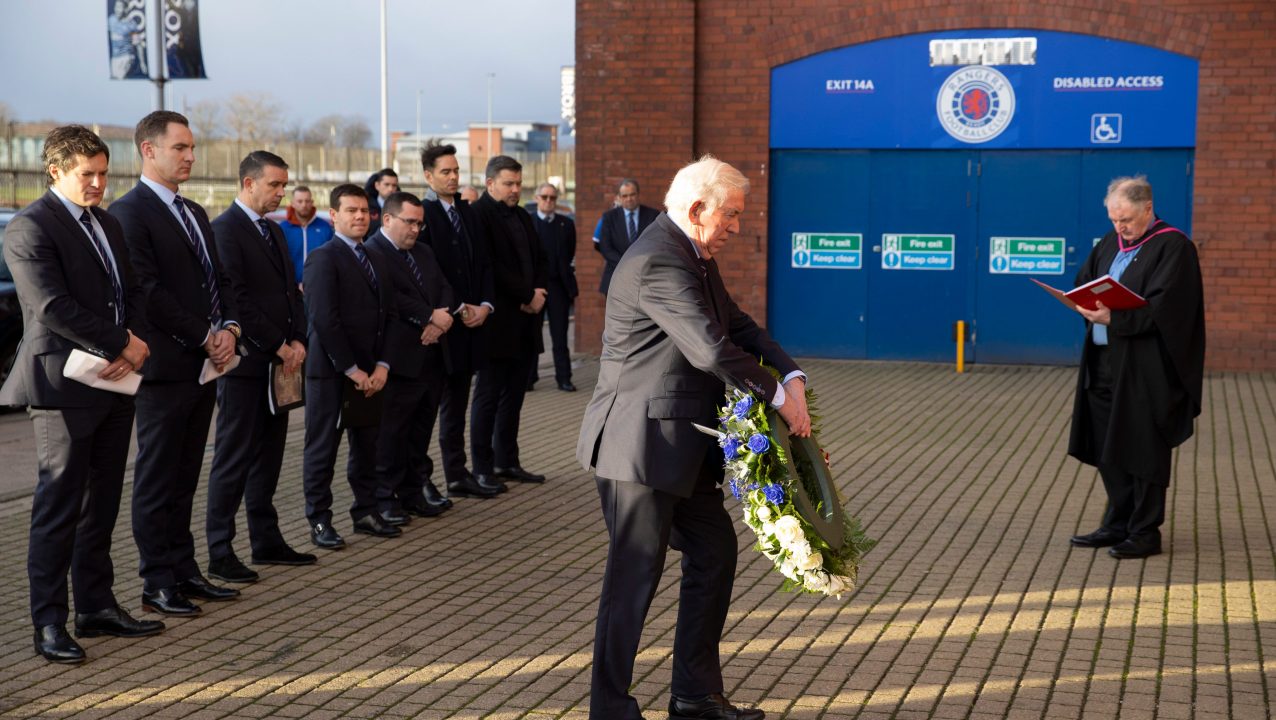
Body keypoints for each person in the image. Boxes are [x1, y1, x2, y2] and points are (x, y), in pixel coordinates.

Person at [577, 156, 811, 720]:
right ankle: (609, 708)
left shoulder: (693, 254)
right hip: (639, 446)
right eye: (731, 215)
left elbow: (738, 326)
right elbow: (709, 348)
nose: (736, 227)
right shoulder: (659, 258)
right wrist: (777, 398)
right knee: (634, 580)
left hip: (680, 448)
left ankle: (694, 695)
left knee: (715, 551)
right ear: (698, 207)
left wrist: (793, 375)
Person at [1, 125, 163, 663]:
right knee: (59, 507)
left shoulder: (109, 224)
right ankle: (48, 623)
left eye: (102, 174)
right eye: (85, 175)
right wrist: (122, 342)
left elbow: (132, 290)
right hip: (63, 385)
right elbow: (50, 306)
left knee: (102, 504)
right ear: (55, 171)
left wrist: (135, 346)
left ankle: (95, 606)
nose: (97, 184)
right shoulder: (30, 228)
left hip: (117, 381)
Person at [110, 111, 241, 616]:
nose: (190, 156)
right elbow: (147, 290)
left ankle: (185, 570)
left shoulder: (194, 213)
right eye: (180, 148)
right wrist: (203, 334)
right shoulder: (131, 213)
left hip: (204, 365)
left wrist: (230, 330)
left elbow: (220, 279)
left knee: (187, 473)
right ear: (148, 150)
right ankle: (156, 581)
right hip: (166, 368)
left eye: (192, 148)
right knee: (157, 477)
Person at [1067, 176, 1205, 560]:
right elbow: (1087, 280)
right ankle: (1117, 522)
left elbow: (1170, 310)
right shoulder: (1111, 242)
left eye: (1125, 219)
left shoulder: (1173, 247)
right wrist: (1080, 302)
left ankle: (1145, 532)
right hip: (1104, 363)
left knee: (1142, 447)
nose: (1119, 228)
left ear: (1148, 208)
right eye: (1113, 219)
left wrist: (1115, 318)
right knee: (1107, 444)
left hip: (1146, 370)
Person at [205, 151, 314, 585]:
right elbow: (237, 300)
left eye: (284, 185)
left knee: (269, 455)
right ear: (249, 183)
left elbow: (292, 292)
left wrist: (300, 338)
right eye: (275, 185)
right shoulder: (225, 230)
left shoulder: (271, 229)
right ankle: (219, 549)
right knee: (234, 457)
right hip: (247, 364)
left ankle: (266, 539)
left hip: (281, 366)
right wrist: (278, 343)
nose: (282, 192)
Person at [301, 184, 399, 548]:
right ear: (334, 216)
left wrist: (382, 366)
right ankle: (319, 520)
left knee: (367, 446)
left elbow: (388, 315)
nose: (360, 216)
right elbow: (325, 320)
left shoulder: (376, 256)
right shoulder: (324, 258)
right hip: (332, 373)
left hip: (371, 373)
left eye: (364, 211)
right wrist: (351, 369)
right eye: (351, 211)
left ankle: (366, 511)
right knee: (322, 448)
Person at [365, 191, 455, 523]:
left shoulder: (424, 252)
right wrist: (429, 317)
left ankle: (413, 493)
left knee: (419, 432)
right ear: (388, 219)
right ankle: (385, 497)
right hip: (398, 359)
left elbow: (445, 287)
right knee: (391, 434)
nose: (416, 229)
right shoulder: (374, 253)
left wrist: (440, 319)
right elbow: (392, 298)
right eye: (410, 222)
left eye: (420, 223)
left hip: (431, 357)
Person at [418, 143, 500, 500]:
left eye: (456, 171)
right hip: (440, 326)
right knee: (425, 407)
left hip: (470, 325)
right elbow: (426, 270)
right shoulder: (422, 214)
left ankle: (457, 472)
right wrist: (455, 307)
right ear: (428, 175)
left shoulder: (467, 213)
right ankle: (420, 478)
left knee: (457, 403)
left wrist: (484, 304)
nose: (453, 178)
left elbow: (483, 262)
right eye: (445, 172)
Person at [471, 156, 549, 489]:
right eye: (508, 183)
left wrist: (540, 293)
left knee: (514, 396)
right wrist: (525, 295)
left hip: (526, 322)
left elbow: (539, 258)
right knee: (488, 396)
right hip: (497, 323)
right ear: (490, 184)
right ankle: (482, 467)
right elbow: (491, 266)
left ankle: (507, 460)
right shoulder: (479, 217)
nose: (516, 189)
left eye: (518, 183)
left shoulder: (522, 215)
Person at [528, 182, 578, 392]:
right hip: (534, 288)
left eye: (552, 198)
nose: (549, 201)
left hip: (558, 287)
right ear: (537, 198)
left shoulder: (566, 224)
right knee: (531, 335)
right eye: (544, 197)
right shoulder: (528, 222)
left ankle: (564, 378)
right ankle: (529, 378)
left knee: (560, 335)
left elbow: (569, 253)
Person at [597, 179, 658, 294]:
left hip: (646, 278)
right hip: (616, 276)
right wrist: (628, 264)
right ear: (619, 198)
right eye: (625, 196)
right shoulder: (609, 217)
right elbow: (605, 248)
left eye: (632, 194)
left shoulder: (653, 216)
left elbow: (657, 244)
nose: (629, 199)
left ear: (638, 194)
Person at [279, 185, 335, 286]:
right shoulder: (282, 228)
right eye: (300, 201)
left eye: (307, 201)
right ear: (292, 204)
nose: (304, 205)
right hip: (290, 288)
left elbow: (332, 258)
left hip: (319, 286)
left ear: (312, 202)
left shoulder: (325, 227)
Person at [364, 168, 399, 238]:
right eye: (387, 184)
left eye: (394, 185)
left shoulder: (400, 208)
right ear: (377, 185)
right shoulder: (366, 206)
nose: (391, 189)